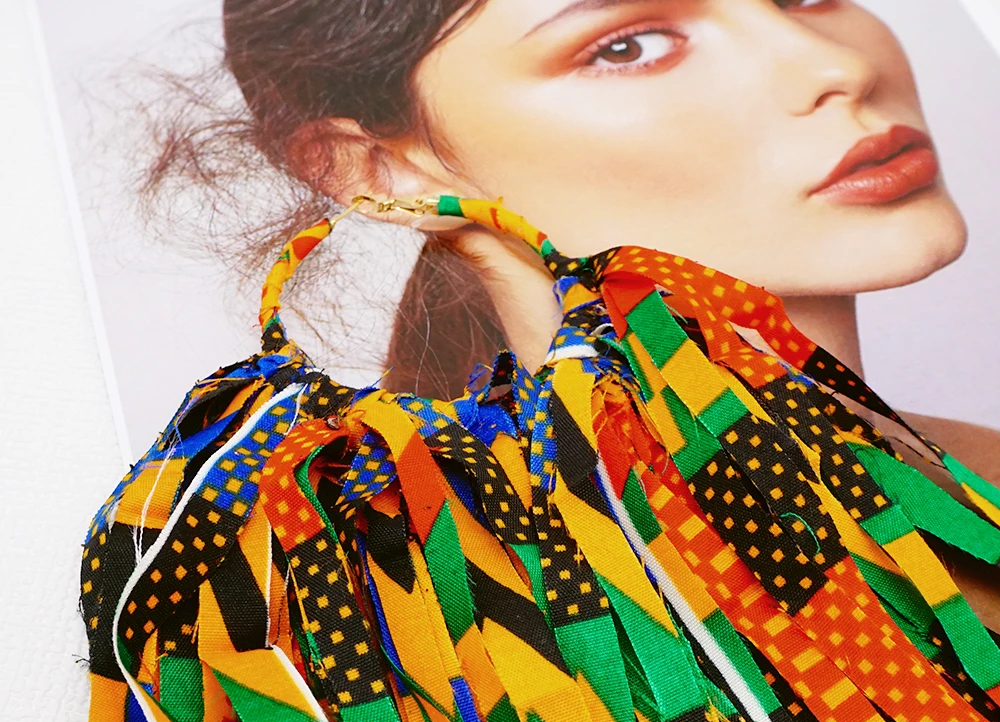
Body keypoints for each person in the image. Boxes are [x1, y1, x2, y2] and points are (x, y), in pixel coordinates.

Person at [149, 0, 998, 620]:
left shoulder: (982, 471)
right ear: (375, 169)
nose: (835, 67)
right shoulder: (443, 647)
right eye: (628, 45)